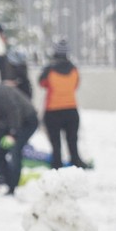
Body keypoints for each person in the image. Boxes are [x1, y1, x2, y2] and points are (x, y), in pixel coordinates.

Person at [37, 38, 88, 168]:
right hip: (71, 109)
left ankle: (57, 163)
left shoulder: (49, 69)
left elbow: (42, 83)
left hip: (53, 110)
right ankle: (76, 161)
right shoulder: (74, 69)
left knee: (55, 141)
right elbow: (76, 85)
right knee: (72, 140)